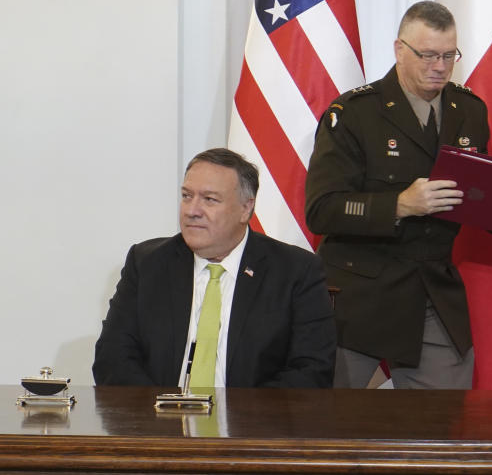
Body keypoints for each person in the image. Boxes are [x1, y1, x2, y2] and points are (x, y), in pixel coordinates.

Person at [304, 0, 492, 389]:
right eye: (427, 55)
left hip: (431, 287)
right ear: (399, 50)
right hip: (361, 291)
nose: (439, 66)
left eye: (448, 55)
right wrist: (400, 205)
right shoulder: (354, 113)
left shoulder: (468, 110)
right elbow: (322, 209)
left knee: (442, 432)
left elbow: (476, 190)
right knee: (336, 428)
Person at [93, 148, 335, 388]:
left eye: (209, 199)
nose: (191, 211)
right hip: (158, 420)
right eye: (187, 196)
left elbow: (312, 371)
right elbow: (113, 357)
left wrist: (239, 418)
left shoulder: (295, 271)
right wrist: (160, 414)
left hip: (252, 423)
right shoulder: (147, 263)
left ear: (245, 208)